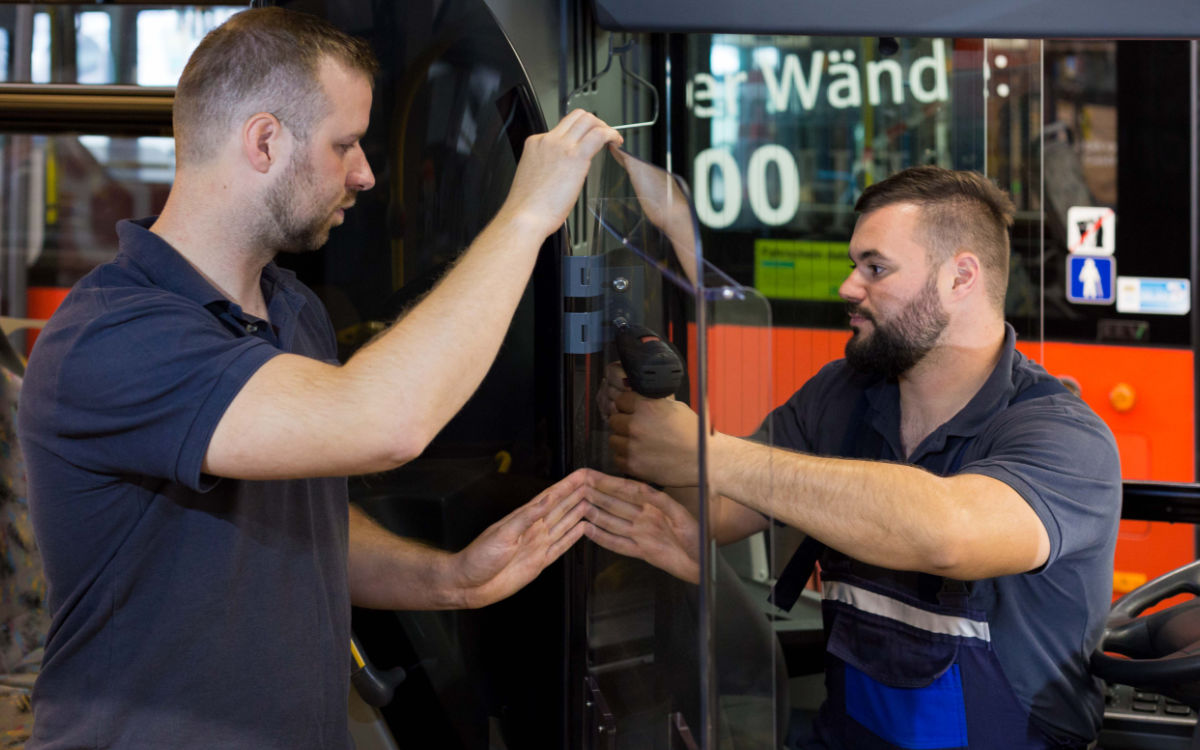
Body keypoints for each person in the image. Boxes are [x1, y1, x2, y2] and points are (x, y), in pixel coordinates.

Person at [17, 8, 621, 749]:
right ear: (265, 141)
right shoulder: (112, 338)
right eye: (344, 145)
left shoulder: (290, 309)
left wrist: (451, 579)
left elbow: (303, 520)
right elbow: (384, 421)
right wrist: (526, 215)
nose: (366, 172)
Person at [586, 165, 1121, 749]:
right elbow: (712, 513)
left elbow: (944, 533)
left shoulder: (1063, 436)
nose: (848, 287)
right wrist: (662, 430)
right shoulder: (840, 396)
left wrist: (706, 451)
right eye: (853, 266)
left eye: (875, 268)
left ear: (960, 277)